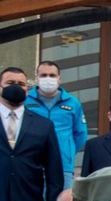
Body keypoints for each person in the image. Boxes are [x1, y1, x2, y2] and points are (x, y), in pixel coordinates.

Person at [0, 66, 62, 201]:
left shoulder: (43, 125)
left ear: (28, 89)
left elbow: (54, 172)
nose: (15, 88)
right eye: (10, 83)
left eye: (20, 84)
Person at [25, 61, 87, 190]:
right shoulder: (26, 100)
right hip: (30, 163)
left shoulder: (72, 102)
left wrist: (66, 151)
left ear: (59, 78)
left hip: (62, 165)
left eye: (52, 75)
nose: (48, 78)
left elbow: (80, 134)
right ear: (37, 77)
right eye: (43, 75)